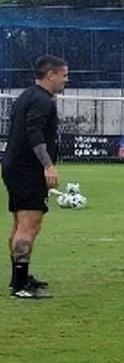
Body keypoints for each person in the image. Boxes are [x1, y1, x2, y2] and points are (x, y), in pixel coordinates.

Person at [4, 54, 68, 299]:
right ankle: (21, 287)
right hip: (27, 170)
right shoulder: (42, 100)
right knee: (29, 226)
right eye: (64, 75)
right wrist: (48, 165)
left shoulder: (27, 96)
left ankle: (18, 278)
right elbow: (34, 133)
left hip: (16, 167)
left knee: (21, 224)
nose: (66, 79)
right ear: (50, 74)